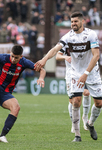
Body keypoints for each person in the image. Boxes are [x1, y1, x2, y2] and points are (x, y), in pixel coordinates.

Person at [35, 12, 102, 142]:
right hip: (76, 73)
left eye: (76, 21)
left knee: (99, 103)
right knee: (76, 101)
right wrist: (44, 60)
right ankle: (77, 135)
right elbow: (55, 50)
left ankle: (90, 124)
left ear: (82, 22)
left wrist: (86, 73)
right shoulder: (68, 37)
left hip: (92, 72)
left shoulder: (91, 35)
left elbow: (96, 56)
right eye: (72, 22)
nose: (73, 24)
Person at [56, 46, 91, 133]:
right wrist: (65, 57)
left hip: (84, 73)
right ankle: (74, 123)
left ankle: (85, 117)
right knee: (73, 101)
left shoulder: (85, 41)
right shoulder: (66, 42)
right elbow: (57, 56)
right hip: (71, 75)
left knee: (86, 93)